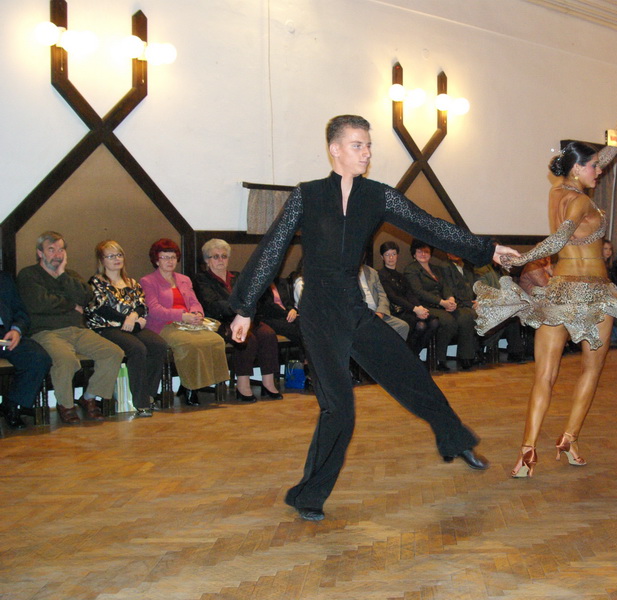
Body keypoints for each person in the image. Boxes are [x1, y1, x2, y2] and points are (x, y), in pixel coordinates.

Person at [227, 115, 520, 521]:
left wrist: (487, 250)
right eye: (357, 145)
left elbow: (430, 227)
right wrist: (245, 308)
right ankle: (307, 495)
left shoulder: (377, 196)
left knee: (410, 374)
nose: (366, 153)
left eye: (368, 145)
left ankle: (454, 439)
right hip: (319, 315)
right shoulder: (307, 195)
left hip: (353, 308)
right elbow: (273, 248)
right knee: (339, 410)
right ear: (335, 149)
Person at [474, 137, 617, 478]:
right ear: (577, 169)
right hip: (594, 293)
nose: (600, 171)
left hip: (560, 292)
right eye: (594, 166)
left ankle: (527, 451)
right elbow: (557, 241)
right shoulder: (580, 201)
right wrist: (521, 259)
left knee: (545, 375)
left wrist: (616, 145)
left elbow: (591, 168)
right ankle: (569, 439)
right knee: (590, 370)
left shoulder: (557, 192)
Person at [17, 231, 125, 425]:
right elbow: (39, 304)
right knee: (66, 360)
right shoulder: (29, 275)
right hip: (46, 332)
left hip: (78, 330)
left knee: (113, 352)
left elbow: (85, 298)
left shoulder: (70, 275)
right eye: (51, 249)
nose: (57, 254)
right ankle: (66, 405)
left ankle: (89, 398)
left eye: (61, 250)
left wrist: (62, 275)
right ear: (40, 253)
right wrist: (70, 304)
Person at [140, 238, 230, 405]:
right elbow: (154, 310)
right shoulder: (148, 281)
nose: (170, 261)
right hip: (165, 325)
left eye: (173, 257)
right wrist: (182, 316)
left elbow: (194, 302)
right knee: (189, 344)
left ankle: (205, 383)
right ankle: (190, 388)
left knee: (215, 340)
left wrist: (197, 313)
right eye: (165, 257)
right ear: (156, 260)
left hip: (188, 323)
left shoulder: (184, 279)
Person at [85, 240, 167, 417]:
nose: (116, 259)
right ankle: (141, 403)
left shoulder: (131, 282)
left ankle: (150, 395)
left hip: (132, 325)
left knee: (159, 345)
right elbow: (101, 308)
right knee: (137, 349)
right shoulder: (96, 282)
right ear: (102, 260)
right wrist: (127, 319)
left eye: (119, 255)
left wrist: (133, 316)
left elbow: (141, 305)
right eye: (111, 256)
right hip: (106, 327)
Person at [193, 239, 281, 401]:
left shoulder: (238, 277)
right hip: (221, 322)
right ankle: (243, 385)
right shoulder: (201, 279)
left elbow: (254, 298)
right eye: (215, 256)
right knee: (246, 337)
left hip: (246, 318)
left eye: (224, 256)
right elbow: (212, 304)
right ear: (207, 260)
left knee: (268, 334)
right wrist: (241, 307)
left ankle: (268, 383)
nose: (221, 260)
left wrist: (246, 310)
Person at [405, 240, 478, 371]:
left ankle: (465, 357)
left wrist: (450, 299)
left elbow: (446, 286)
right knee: (449, 322)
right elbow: (419, 292)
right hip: (425, 306)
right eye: (419, 251)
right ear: (414, 254)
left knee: (465, 316)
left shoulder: (436, 268)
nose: (423, 254)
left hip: (442, 305)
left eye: (426, 251)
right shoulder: (411, 269)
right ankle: (440, 358)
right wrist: (442, 302)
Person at [0, 272, 52, 430]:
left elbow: (21, 313)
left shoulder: (4, 279)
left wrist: (17, 330)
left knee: (38, 358)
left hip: (5, 335)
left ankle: (11, 405)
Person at [377, 241, 439, 356]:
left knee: (434, 322)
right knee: (421, 326)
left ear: (397, 255)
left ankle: (414, 354)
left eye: (394, 254)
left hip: (408, 309)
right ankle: (410, 356)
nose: (391, 258)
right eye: (387, 255)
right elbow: (393, 297)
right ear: (382, 257)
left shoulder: (401, 276)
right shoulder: (380, 275)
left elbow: (410, 294)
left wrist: (420, 308)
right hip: (395, 312)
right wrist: (415, 309)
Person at [359, 264, 409, 339]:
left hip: (378, 313)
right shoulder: (346, 274)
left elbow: (382, 295)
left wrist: (380, 312)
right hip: (362, 316)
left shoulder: (371, 271)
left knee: (403, 326)